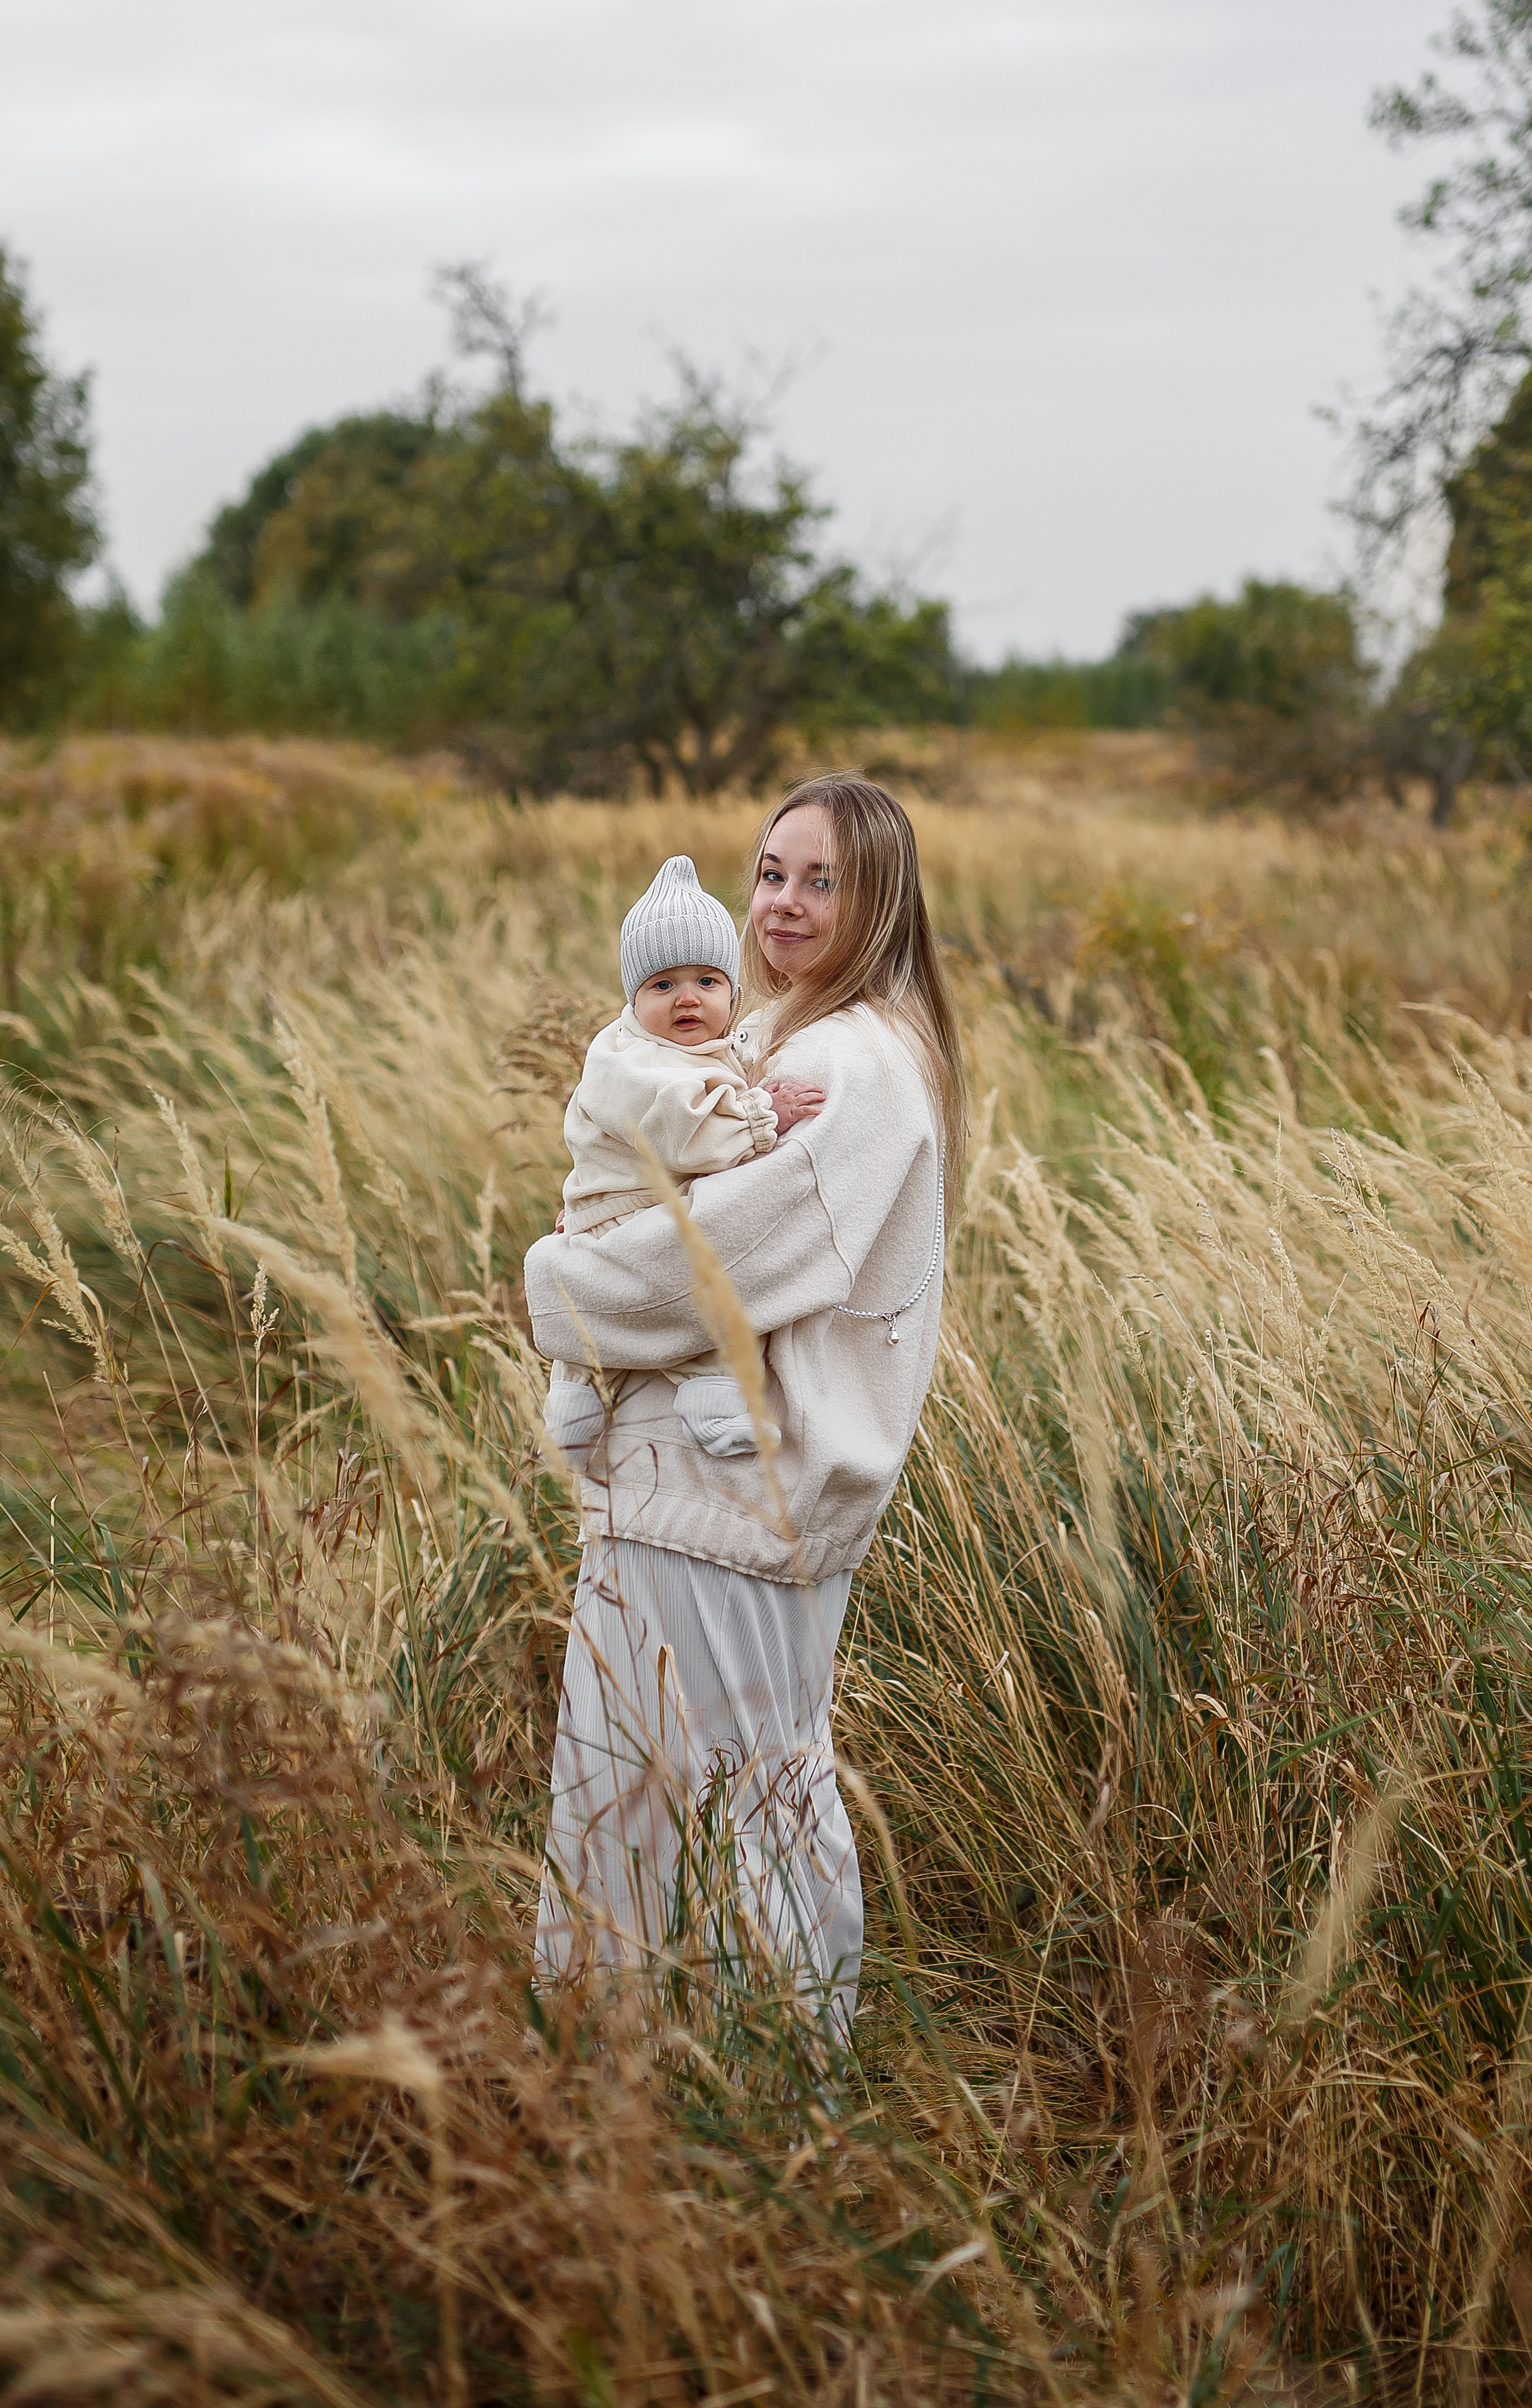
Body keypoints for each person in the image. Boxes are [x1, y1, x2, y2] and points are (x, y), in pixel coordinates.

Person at [524, 774, 966, 2029]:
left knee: (750, 1797)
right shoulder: (761, 1039)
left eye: (820, 880)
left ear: (877, 900)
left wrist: (554, 1289)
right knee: (629, 1796)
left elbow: (708, 1260)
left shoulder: (854, 1061)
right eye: (769, 872)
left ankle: (776, 2103)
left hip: (741, 1500)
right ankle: (623, 2088)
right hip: (678, 1491)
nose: (781, 901)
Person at [542, 853, 824, 1468]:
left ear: (733, 990)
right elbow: (680, 1128)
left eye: (706, 981)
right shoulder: (630, 1060)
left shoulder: (708, 1050)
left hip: (636, 1207)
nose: (686, 1000)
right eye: (662, 985)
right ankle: (687, 1405)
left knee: (635, 1318)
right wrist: (761, 1116)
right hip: (617, 1211)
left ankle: (592, 1416)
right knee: (695, 1299)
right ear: (633, 997)